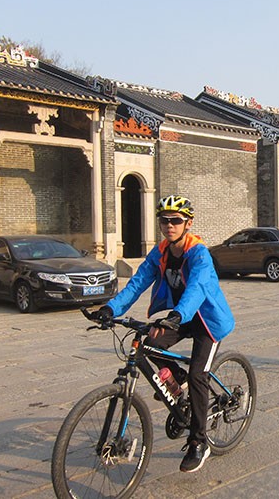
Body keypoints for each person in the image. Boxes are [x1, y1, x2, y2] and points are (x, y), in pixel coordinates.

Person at [92, 194, 234, 473]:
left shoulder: (199, 253)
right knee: (151, 342)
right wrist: (110, 308)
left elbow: (197, 289)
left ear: (187, 223)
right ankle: (177, 383)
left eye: (176, 221)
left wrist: (177, 315)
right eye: (164, 221)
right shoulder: (160, 252)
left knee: (197, 374)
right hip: (179, 316)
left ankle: (199, 442)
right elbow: (136, 283)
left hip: (207, 320)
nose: (169, 225)